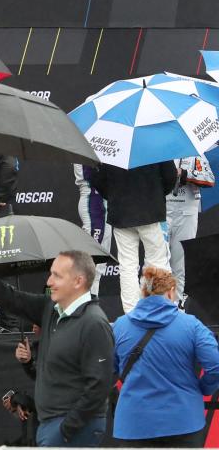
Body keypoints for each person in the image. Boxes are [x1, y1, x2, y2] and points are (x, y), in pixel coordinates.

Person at [0, 242, 114, 447]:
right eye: (51, 273)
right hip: (51, 425)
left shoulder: (94, 323)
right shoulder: (51, 309)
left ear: (78, 281)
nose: (49, 281)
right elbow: (7, 297)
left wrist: (67, 429)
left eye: (57, 275)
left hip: (71, 430)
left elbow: (99, 385)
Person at [111, 266, 219, 446]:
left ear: (143, 292)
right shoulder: (192, 326)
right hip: (184, 421)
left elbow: (108, 370)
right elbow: (216, 366)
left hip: (133, 423)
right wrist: (202, 389)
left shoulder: (119, 326)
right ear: (171, 292)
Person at [91, 161, 177, 313]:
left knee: (127, 265)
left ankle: (131, 314)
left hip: (121, 211)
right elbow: (170, 176)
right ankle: (157, 310)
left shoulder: (113, 143)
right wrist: (155, 193)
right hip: (150, 209)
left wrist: (115, 196)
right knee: (156, 262)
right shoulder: (156, 141)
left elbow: (97, 179)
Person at [166, 157, 214, 305]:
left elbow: (209, 179)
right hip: (163, 212)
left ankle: (178, 303)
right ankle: (160, 304)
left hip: (186, 213)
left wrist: (185, 174)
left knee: (180, 262)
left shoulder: (194, 154)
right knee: (159, 261)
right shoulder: (160, 152)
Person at [74, 164, 112, 295]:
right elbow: (91, 173)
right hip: (92, 197)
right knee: (93, 257)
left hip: (101, 198)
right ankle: (83, 304)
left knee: (100, 257)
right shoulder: (85, 144)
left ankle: (91, 301)